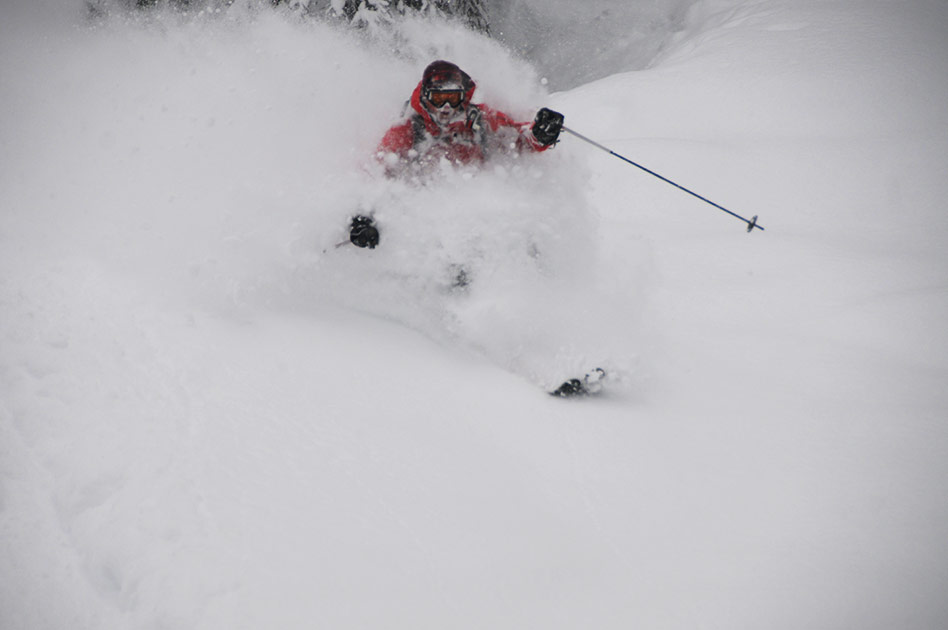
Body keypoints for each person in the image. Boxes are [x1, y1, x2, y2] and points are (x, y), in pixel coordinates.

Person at [348, 60, 564, 250]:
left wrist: (541, 133)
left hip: (481, 213)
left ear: (463, 97)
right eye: (438, 98)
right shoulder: (408, 130)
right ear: (425, 96)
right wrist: (362, 216)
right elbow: (373, 171)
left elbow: (518, 139)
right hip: (426, 220)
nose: (446, 107)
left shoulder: (480, 119)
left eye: (452, 98)